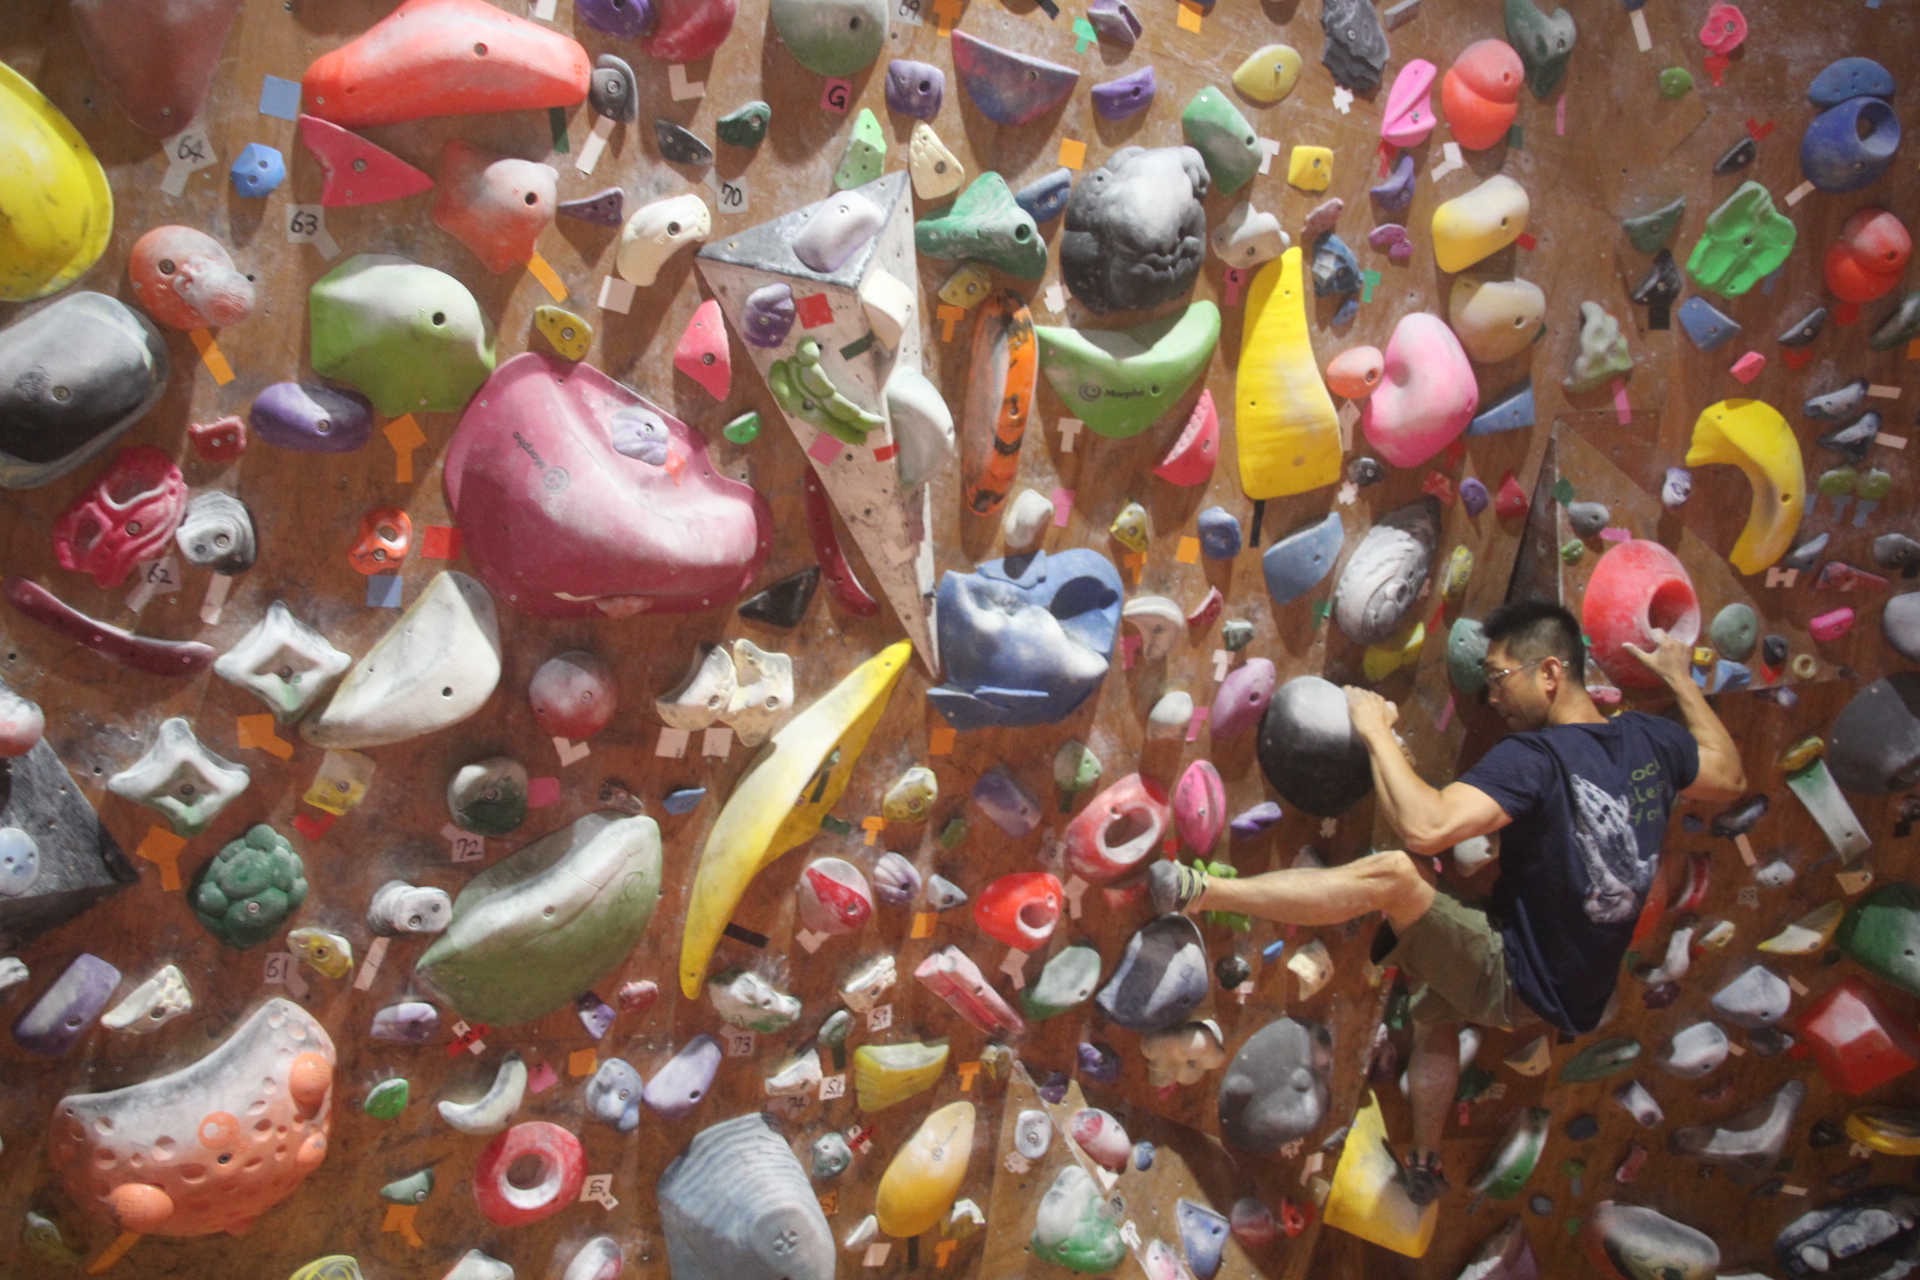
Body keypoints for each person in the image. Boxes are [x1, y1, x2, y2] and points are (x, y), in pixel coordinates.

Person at [1150, 599, 1746, 1204]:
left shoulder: (1536, 760)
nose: (1493, 695)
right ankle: (1426, 1155)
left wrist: (1373, 728)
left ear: (1549, 673)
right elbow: (1728, 775)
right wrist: (1679, 678)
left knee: (1397, 877)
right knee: (1437, 992)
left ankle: (1201, 891)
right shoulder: (1647, 740)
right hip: (1575, 984)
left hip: (1521, 976)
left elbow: (1425, 829)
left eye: (1500, 677)